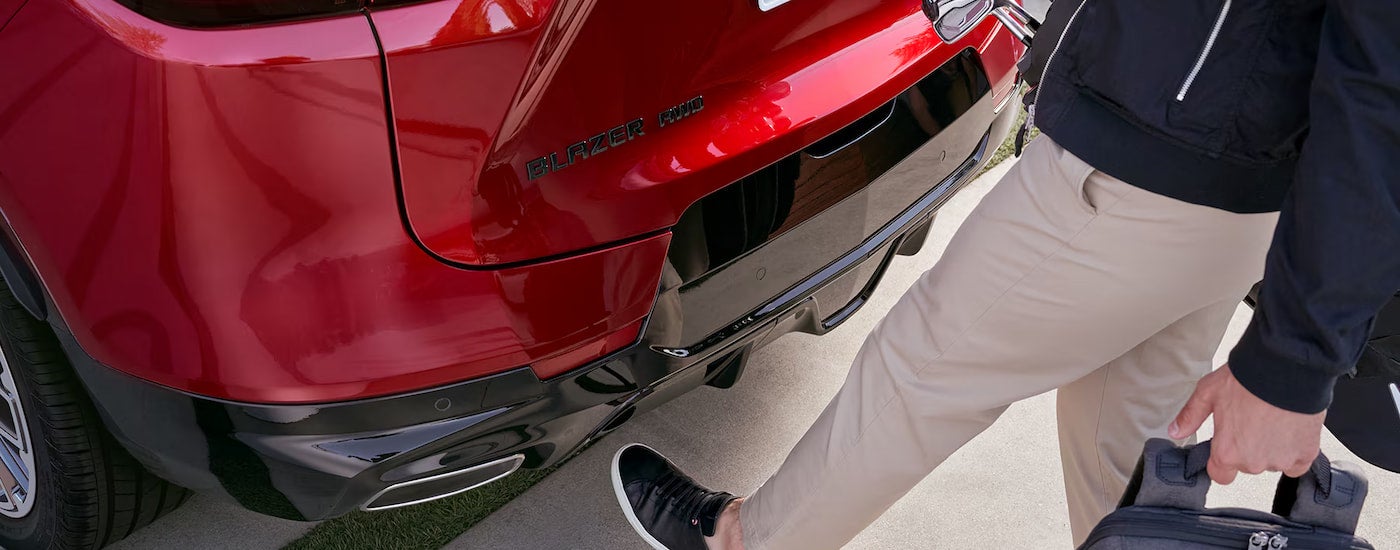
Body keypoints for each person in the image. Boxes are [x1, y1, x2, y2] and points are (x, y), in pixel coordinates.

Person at [610, 1, 1400, 548]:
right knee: (1122, 448)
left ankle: (744, 542)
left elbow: (1383, 84)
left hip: (1149, 170)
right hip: (1213, 173)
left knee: (922, 368)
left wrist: (1294, 365)